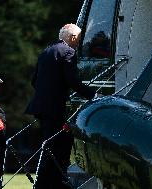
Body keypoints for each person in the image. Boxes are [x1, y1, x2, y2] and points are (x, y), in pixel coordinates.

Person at [25, 24, 98, 189]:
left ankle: (54, 182)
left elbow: (34, 80)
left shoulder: (46, 51)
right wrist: (93, 95)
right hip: (54, 108)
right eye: (78, 39)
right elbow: (72, 81)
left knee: (54, 144)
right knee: (59, 146)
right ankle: (50, 183)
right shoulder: (68, 52)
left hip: (41, 107)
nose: (79, 43)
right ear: (73, 38)